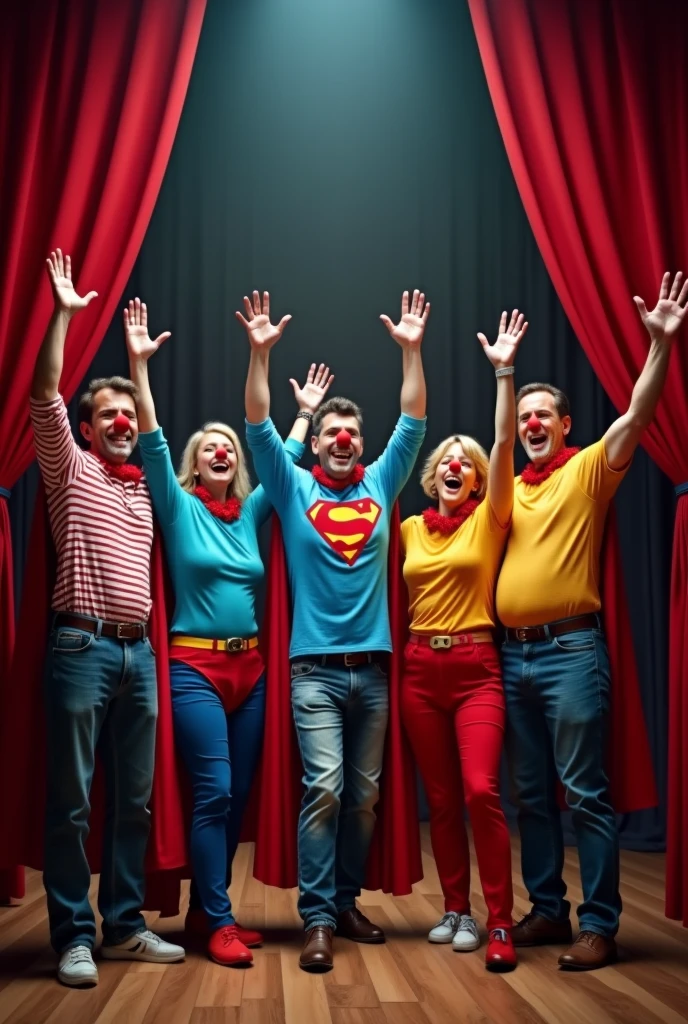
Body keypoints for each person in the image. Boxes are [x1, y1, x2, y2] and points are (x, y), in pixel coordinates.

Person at [124, 297, 334, 967]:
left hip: (253, 673)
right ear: (192, 464)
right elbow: (152, 438)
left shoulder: (249, 514)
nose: (221, 449)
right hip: (194, 671)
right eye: (207, 446)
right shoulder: (180, 506)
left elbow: (283, 451)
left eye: (228, 446)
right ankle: (216, 920)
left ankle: (203, 911)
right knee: (212, 791)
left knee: (234, 798)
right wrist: (138, 367)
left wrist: (292, 400)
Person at [498, 271, 688, 970]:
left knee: (584, 791)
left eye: (543, 416)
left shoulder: (588, 470)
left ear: (566, 424)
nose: (533, 426)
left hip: (570, 652)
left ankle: (599, 923)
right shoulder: (507, 487)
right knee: (530, 795)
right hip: (510, 655)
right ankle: (548, 911)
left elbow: (637, 414)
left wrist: (660, 346)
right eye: (524, 420)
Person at [241, 288, 428, 971]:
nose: (344, 441)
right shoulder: (292, 489)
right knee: (324, 787)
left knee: (366, 796)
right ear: (316, 442)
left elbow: (413, 418)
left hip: (373, 672)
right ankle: (317, 916)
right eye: (332, 433)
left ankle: (346, 901)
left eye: (353, 432)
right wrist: (259, 355)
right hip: (314, 673)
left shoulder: (382, 482)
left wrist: (411, 351)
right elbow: (259, 425)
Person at [29, 251, 185, 987]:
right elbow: (43, 396)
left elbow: (157, 437)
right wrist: (64, 315)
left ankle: (123, 926)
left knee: (135, 800)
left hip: (140, 655)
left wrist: (139, 369)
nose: (122, 423)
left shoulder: (151, 486)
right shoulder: (72, 468)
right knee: (72, 801)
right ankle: (73, 936)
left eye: (129, 415)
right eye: (108, 416)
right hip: (81, 646)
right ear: (89, 428)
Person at [400, 310, 527, 972]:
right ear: (434, 475)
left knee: (481, 790)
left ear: (478, 480)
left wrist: (504, 372)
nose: (455, 465)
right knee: (442, 799)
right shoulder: (411, 532)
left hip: (477, 665)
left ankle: (499, 920)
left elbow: (505, 444)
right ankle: (457, 909)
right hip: (419, 670)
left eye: (466, 462)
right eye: (446, 460)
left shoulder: (491, 521)